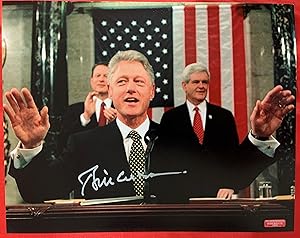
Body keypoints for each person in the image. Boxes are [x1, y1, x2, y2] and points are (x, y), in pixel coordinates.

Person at [4, 50, 295, 203]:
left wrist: (258, 136)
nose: (130, 89)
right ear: (111, 91)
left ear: (152, 91)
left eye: (138, 82)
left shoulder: (178, 139)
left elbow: (228, 174)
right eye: (121, 82)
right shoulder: (84, 144)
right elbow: (41, 190)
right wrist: (31, 146)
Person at [158, 63, 239, 199]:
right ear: (185, 86)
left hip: (219, 195)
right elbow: (164, 159)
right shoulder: (170, 118)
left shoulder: (224, 116)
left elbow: (235, 156)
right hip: (182, 196)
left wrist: (230, 185)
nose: (201, 86)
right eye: (196, 82)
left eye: (205, 82)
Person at [57, 62, 117, 153]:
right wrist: (85, 117)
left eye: (106, 76)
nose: (101, 79)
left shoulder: (121, 110)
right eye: (98, 76)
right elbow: (63, 142)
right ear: (92, 81)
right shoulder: (73, 110)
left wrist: (116, 123)